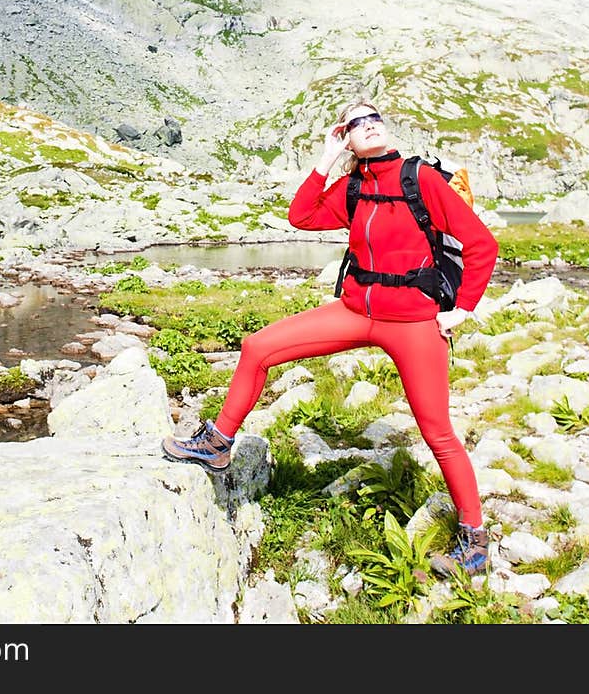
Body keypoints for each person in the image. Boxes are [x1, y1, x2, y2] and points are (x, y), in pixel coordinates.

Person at [161, 97, 499, 578]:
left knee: (437, 432)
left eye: (374, 119)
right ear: (348, 138)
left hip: (413, 324)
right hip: (353, 311)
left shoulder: (421, 179)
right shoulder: (352, 186)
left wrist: (462, 310)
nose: (368, 126)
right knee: (258, 347)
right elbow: (300, 216)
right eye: (356, 124)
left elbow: (482, 243)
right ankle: (217, 444)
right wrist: (326, 158)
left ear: (388, 129)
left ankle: (474, 542)